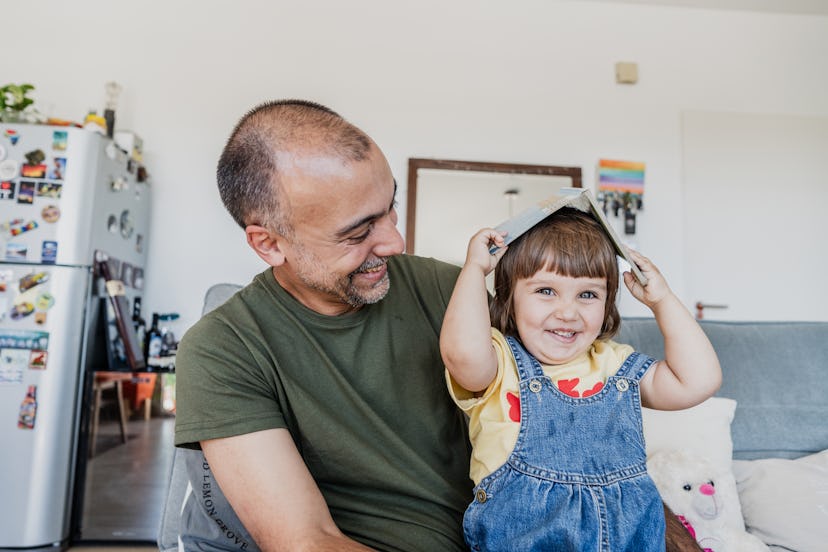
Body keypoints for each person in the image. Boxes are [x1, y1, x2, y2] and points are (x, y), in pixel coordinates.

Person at [174, 99, 709, 551]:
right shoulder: (224, 350)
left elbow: (578, 412)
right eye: (357, 232)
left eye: (390, 210)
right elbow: (306, 541)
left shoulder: (449, 289)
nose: (394, 243)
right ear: (269, 242)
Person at [440, 208, 722, 550]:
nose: (568, 312)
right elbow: (462, 356)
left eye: (587, 295)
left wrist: (662, 301)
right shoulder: (500, 362)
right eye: (546, 291)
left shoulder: (614, 363)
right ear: (510, 298)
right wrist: (474, 270)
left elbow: (698, 381)